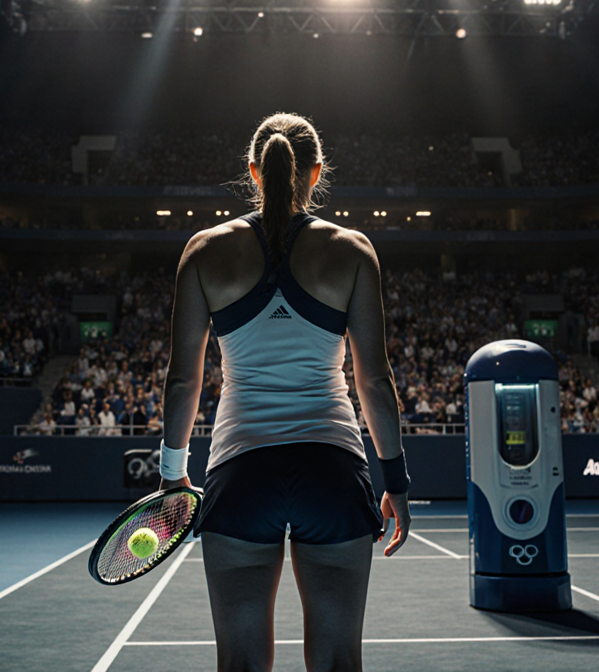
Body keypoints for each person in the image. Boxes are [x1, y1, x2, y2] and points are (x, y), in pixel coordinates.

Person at [158, 113, 411, 672]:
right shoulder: (352, 249)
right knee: (339, 660)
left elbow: (183, 380)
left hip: (241, 475)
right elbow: (374, 381)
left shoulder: (203, 251)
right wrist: (396, 481)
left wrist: (172, 475)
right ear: (315, 173)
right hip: (334, 472)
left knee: (242, 664)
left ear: (254, 172)